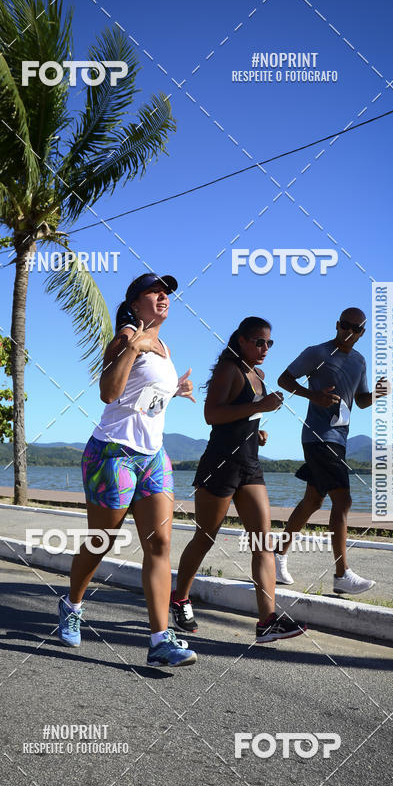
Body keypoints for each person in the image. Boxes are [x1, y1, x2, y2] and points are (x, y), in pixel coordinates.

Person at [57, 273, 198, 667]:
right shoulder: (125, 337)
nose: (164, 297)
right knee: (101, 540)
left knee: (160, 544)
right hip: (112, 452)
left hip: (153, 455)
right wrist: (134, 346)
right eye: (155, 292)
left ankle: (160, 641)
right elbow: (109, 392)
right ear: (135, 303)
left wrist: (175, 391)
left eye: (167, 292)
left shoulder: (165, 347)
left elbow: (142, 400)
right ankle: (71, 605)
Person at [171, 317, 306, 643]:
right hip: (220, 464)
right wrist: (261, 407)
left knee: (263, 543)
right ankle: (180, 598)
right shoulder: (228, 370)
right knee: (205, 537)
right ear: (241, 340)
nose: (265, 348)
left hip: (249, 465)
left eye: (269, 343)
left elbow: (242, 415)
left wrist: (255, 431)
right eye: (259, 342)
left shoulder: (258, 376)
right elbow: (212, 415)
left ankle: (267, 621)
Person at [276, 307, 389, 594]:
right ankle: (342, 575)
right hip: (318, 436)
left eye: (356, 328)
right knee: (343, 500)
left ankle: (277, 556)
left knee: (312, 502)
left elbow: (360, 401)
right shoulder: (317, 353)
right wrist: (312, 395)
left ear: (362, 333)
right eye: (345, 325)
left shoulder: (359, 361)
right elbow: (284, 379)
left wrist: (377, 393)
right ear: (337, 324)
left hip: (339, 439)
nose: (349, 331)